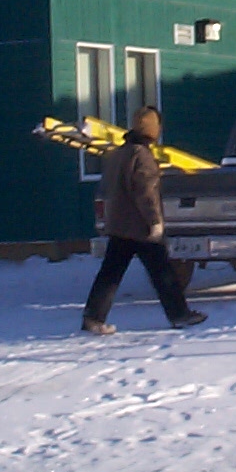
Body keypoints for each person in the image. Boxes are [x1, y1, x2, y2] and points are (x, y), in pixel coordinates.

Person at [81, 106, 207, 334]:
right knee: (163, 273)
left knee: (109, 274)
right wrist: (155, 222)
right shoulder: (143, 156)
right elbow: (146, 193)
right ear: (152, 129)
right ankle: (180, 315)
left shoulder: (119, 153)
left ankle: (93, 318)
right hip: (141, 228)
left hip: (119, 225)